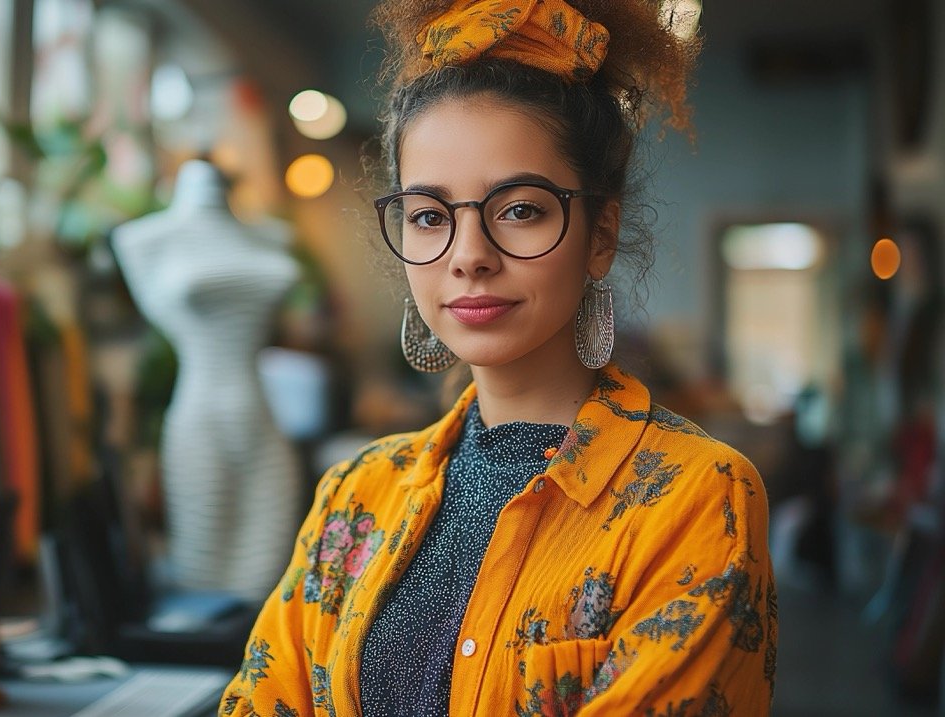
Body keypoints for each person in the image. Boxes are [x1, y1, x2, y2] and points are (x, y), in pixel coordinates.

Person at [220, 1, 776, 714]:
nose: (469, 256)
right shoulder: (354, 493)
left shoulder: (696, 498)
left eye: (520, 209)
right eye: (429, 216)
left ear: (599, 234)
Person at [111, 159, 304, 603]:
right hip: (201, 418)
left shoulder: (271, 234)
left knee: (270, 585)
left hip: (262, 421)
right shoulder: (142, 239)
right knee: (203, 579)